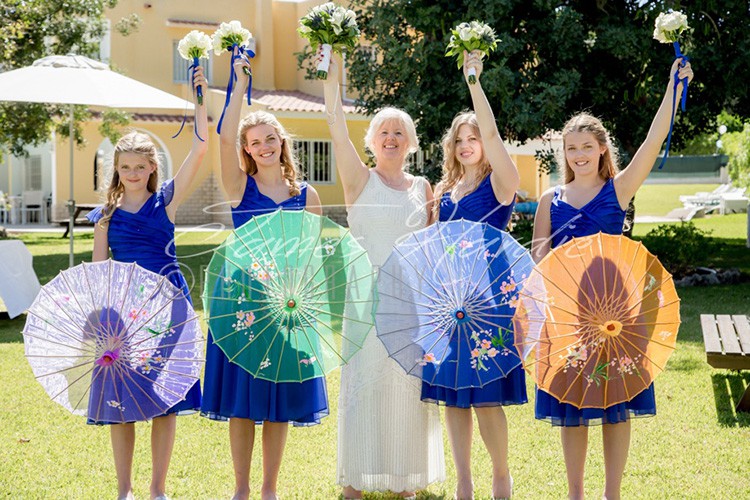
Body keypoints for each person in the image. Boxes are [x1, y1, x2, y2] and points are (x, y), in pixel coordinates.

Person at [530, 58, 693, 500]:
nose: (579, 155)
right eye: (571, 148)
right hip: (567, 312)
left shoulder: (618, 190)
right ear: (564, 154)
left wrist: (673, 89)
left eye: (586, 146)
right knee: (572, 403)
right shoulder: (549, 199)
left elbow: (653, 141)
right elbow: (538, 258)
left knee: (616, 402)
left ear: (602, 148)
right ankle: (576, 494)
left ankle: (612, 494)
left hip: (617, 310)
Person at [200, 53, 327, 500]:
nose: (264, 146)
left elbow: (312, 257)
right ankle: (241, 489)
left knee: (278, 399)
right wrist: (238, 84)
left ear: (281, 142)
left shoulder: (306, 195)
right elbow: (222, 139)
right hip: (241, 301)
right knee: (241, 400)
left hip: (286, 303)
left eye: (270, 138)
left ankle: (270, 488)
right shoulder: (240, 188)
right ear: (247, 150)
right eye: (254, 142)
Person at [323, 55, 445, 499]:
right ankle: (354, 480)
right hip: (366, 296)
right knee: (364, 384)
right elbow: (335, 125)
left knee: (407, 386)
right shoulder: (359, 179)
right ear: (372, 141)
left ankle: (404, 479)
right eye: (383, 132)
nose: (391, 138)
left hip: (411, 300)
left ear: (410, 143)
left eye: (399, 133)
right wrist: (332, 69)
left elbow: (431, 248)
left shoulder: (423, 188)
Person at [88, 67, 208, 500]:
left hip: (168, 306)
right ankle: (125, 489)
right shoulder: (105, 215)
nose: (133, 172)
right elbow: (99, 271)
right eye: (125, 167)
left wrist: (199, 97)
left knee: (164, 400)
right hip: (124, 313)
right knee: (120, 401)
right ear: (116, 170)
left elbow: (201, 147)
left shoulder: (166, 201)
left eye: (140, 166)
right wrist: (102, 319)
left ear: (153, 167)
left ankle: (157, 488)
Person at [422, 50, 522, 500]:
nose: (466, 145)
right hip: (448, 300)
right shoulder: (445, 191)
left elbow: (495, 134)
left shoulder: (500, 183)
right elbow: (432, 243)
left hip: (489, 299)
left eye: (474, 137)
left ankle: (500, 474)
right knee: (453, 394)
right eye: (459, 139)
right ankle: (464, 480)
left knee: (485, 397)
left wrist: (473, 82)